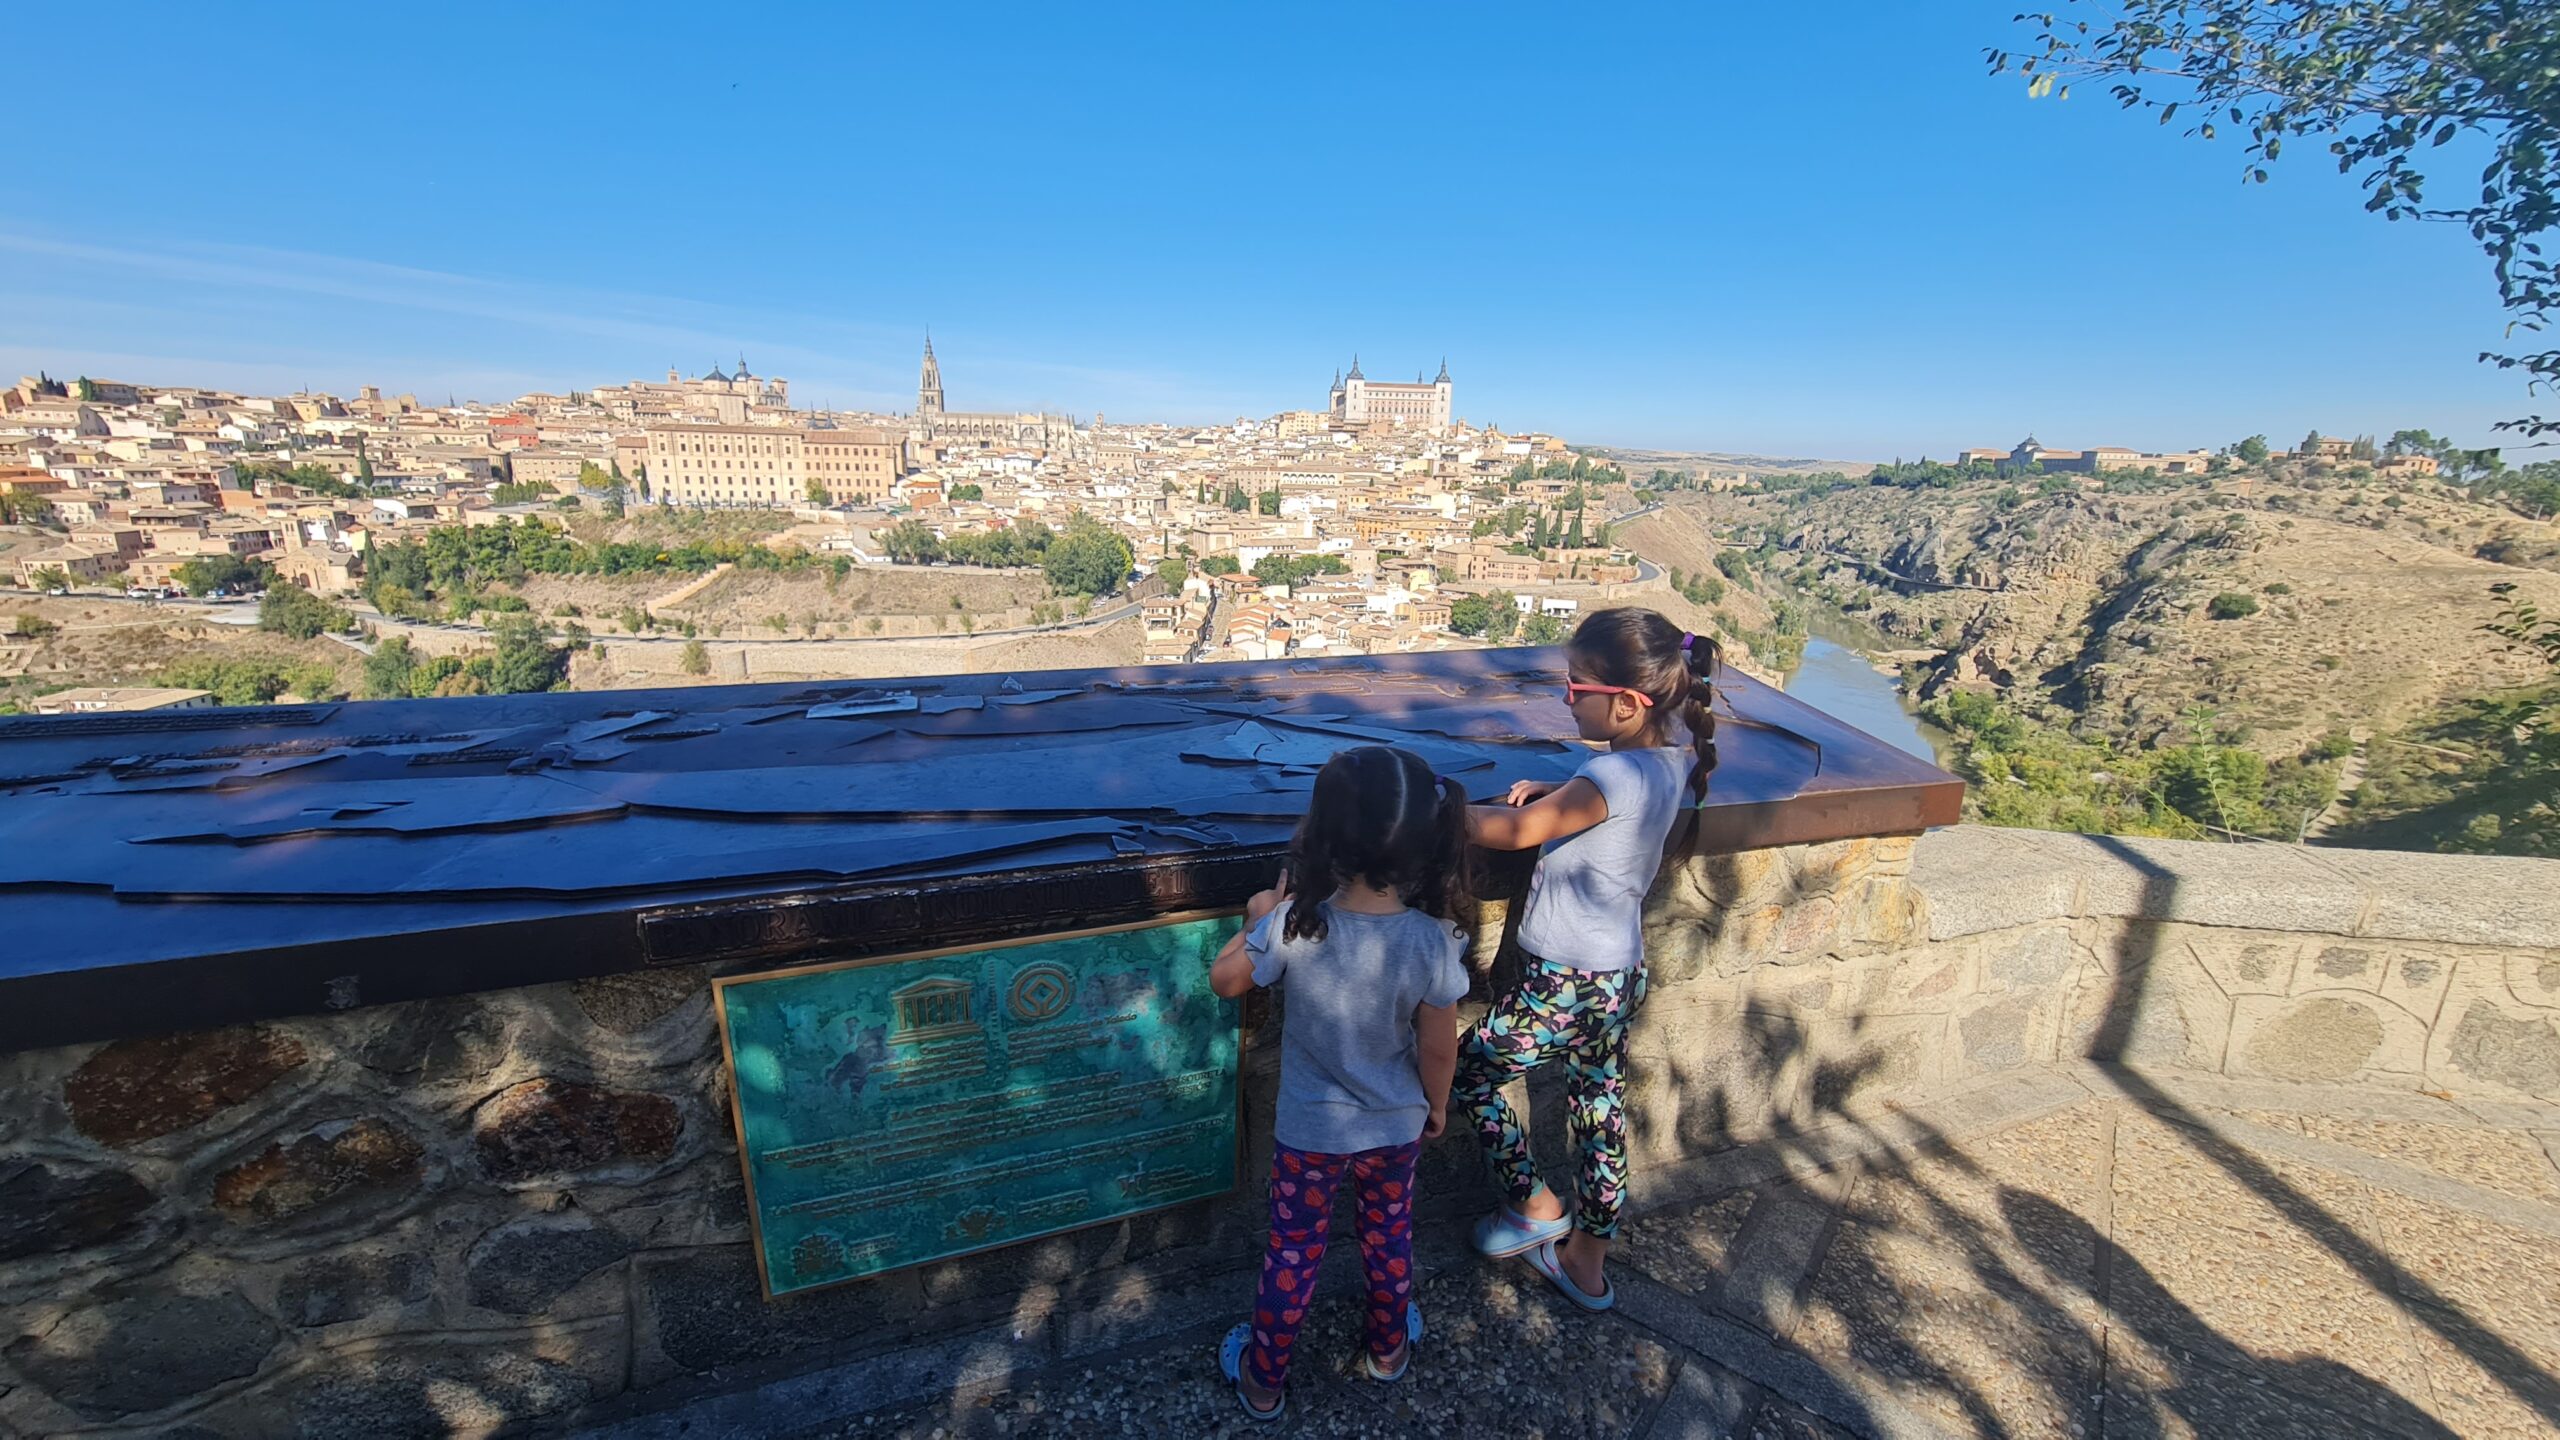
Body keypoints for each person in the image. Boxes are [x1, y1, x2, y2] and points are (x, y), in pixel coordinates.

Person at [1453, 606, 1719, 1311]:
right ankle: (1588, 1262)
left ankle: (1534, 1208)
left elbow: (1512, 831)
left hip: (1563, 981)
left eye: (1576, 688)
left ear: (1627, 705)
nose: (1565, 699)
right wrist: (1562, 792)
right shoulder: (1668, 756)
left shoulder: (1612, 781)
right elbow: (1595, 803)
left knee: (1469, 1071)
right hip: (1618, 974)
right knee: (1598, 1112)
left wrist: (1429, 806)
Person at [1209, 744, 1474, 1422]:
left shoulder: (1298, 923)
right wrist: (1436, 1106)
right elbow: (1439, 1046)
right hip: (1395, 1126)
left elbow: (1226, 980)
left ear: (1321, 836)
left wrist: (1258, 914)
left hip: (1310, 1134)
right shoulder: (1431, 938)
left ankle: (1264, 1380)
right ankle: (1388, 1351)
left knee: (1293, 1250)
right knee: (1389, 1238)